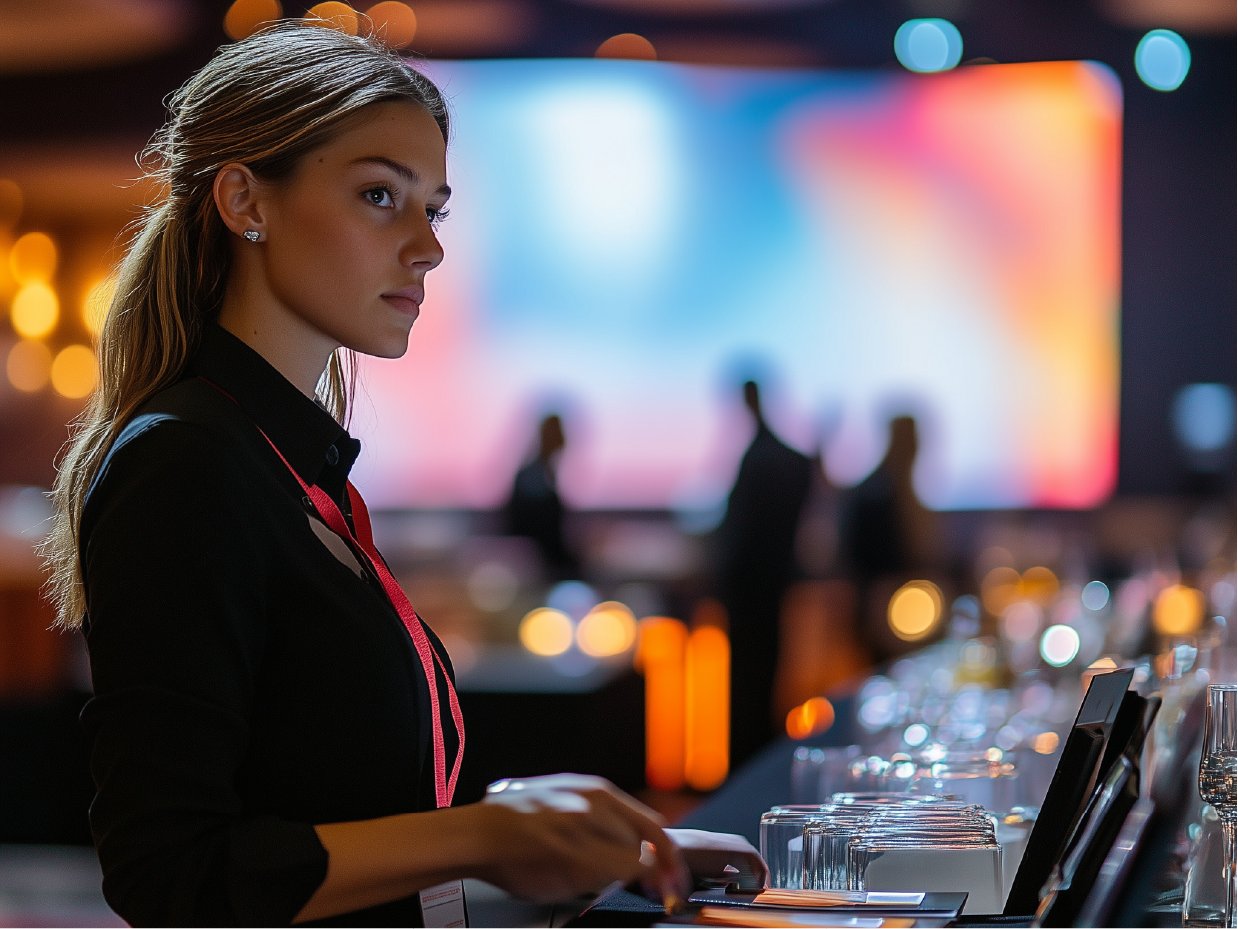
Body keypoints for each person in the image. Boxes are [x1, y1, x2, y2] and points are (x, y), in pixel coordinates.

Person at [43, 24, 688, 929]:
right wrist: (480, 835)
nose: (428, 247)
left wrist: (599, 844)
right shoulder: (183, 461)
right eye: (380, 195)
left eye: (436, 209)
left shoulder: (292, 469)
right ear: (244, 200)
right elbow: (171, 875)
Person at [715, 381, 812, 768]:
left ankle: (745, 767)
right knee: (764, 682)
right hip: (770, 591)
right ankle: (756, 766)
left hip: (749, 595)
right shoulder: (787, 459)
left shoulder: (761, 458)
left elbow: (741, 536)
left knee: (747, 689)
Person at [504, 414, 579, 578]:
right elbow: (543, 534)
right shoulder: (534, 479)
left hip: (538, 564)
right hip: (536, 568)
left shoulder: (540, 474)